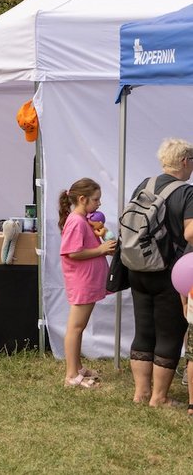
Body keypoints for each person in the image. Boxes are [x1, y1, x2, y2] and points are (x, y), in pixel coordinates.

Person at [127, 138, 193, 407]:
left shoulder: (145, 184)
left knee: (143, 330)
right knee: (169, 332)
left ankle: (140, 393)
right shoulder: (187, 192)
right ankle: (159, 397)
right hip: (168, 271)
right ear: (184, 161)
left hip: (137, 267)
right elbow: (190, 232)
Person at [58, 178, 116, 389]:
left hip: (88, 281)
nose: (99, 204)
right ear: (82, 199)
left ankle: (78, 368)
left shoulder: (83, 220)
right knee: (76, 327)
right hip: (82, 281)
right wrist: (101, 250)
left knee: (79, 327)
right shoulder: (76, 221)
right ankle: (71, 375)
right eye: (96, 199)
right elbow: (72, 252)